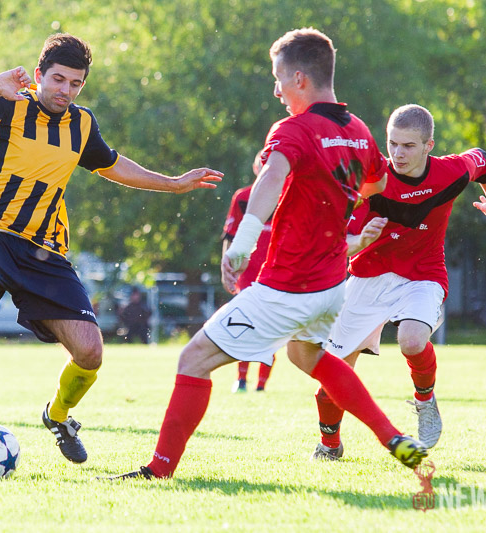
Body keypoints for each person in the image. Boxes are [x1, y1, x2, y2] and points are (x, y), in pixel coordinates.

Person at [104, 28, 428, 481]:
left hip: (287, 286)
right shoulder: (357, 132)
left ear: (299, 78)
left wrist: (241, 245)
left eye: (278, 79)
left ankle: (158, 470)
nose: (276, 91)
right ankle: (393, 437)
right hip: (331, 285)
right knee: (307, 357)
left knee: (192, 360)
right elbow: (377, 184)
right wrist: (338, 214)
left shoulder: (295, 129)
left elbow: (270, 179)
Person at [0, 33, 222, 464]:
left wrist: (173, 183)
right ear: (40, 74)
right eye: (59, 79)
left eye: (76, 83)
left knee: (90, 351)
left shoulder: (82, 124)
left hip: (44, 248)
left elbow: (112, 164)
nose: (66, 90)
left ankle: (58, 416)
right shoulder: (7, 105)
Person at [312, 104, 486, 460]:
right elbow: (338, 237)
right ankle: (329, 445)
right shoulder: (372, 181)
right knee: (332, 376)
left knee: (412, 339)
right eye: (392, 144)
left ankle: (425, 400)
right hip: (368, 276)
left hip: (423, 274)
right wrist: (359, 240)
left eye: (408, 145)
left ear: (429, 145)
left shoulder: (450, 171)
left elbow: (482, 162)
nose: (397, 154)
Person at [221, 150, 276, 392]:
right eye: (262, 164)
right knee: (244, 326)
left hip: (275, 272)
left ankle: (261, 385)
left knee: (270, 330)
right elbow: (230, 234)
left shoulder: (287, 196)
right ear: (256, 169)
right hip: (247, 273)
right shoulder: (243, 197)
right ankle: (241, 379)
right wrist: (227, 266)